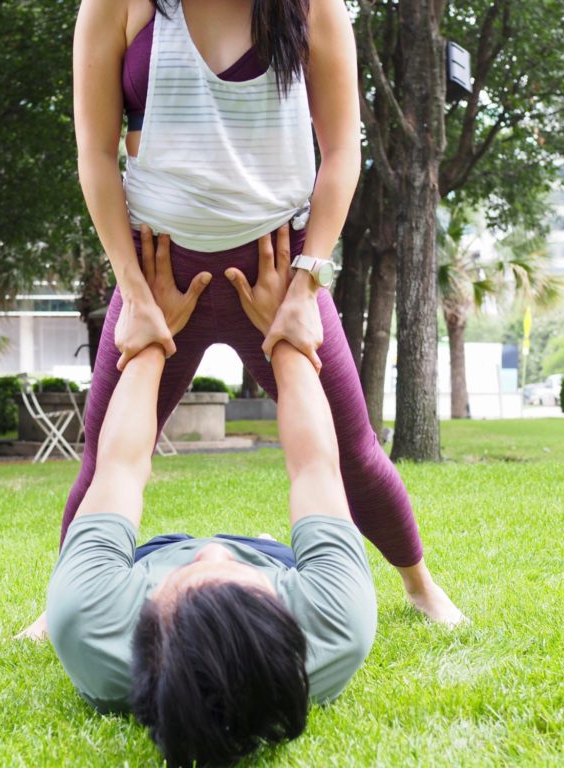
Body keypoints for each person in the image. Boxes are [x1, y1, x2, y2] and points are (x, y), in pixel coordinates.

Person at [68, 0, 463, 623]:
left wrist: (306, 287)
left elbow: (342, 153)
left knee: (353, 450)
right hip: (159, 275)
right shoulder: (117, 5)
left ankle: (420, 585)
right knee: (103, 453)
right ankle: (61, 600)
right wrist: (135, 292)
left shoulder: (313, 7)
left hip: (278, 272)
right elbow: (94, 155)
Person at [30, 230, 378, 767]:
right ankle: (260, 555)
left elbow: (119, 467)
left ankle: (213, 572)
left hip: (152, 557)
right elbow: (315, 468)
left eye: (194, 575)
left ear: (143, 628)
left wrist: (150, 333)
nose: (213, 550)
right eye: (240, 578)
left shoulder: (90, 620)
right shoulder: (337, 621)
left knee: (89, 560)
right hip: (275, 561)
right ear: (288, 619)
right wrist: (288, 332)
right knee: (260, 548)